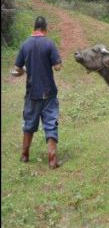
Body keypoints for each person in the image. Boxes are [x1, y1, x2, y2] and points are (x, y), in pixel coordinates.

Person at [11, 16, 63, 169]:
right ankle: (52, 160)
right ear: (45, 28)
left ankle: (25, 155)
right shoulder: (49, 43)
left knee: (29, 123)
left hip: (32, 92)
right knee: (51, 124)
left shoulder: (25, 44)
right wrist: (59, 63)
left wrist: (24, 71)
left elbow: (18, 68)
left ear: (34, 28)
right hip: (49, 93)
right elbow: (57, 67)